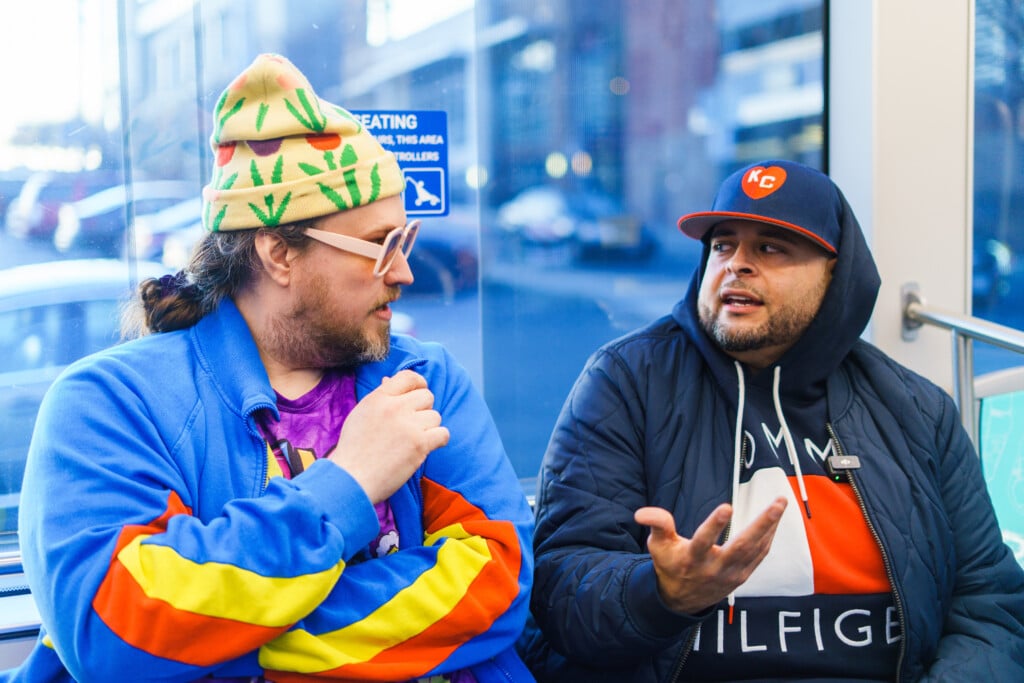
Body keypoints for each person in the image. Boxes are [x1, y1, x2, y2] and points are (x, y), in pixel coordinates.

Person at [2, 53, 534, 683]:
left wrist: (239, 644)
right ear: (279, 253)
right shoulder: (111, 403)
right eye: (381, 245)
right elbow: (118, 623)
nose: (404, 272)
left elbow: (497, 578)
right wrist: (350, 480)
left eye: (406, 240)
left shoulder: (424, 381)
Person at [521, 159, 1024, 681]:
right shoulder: (626, 382)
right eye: (723, 245)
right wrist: (661, 594)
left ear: (835, 275)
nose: (736, 265)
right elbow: (559, 590)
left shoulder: (919, 410)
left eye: (771, 248)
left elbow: (991, 607)